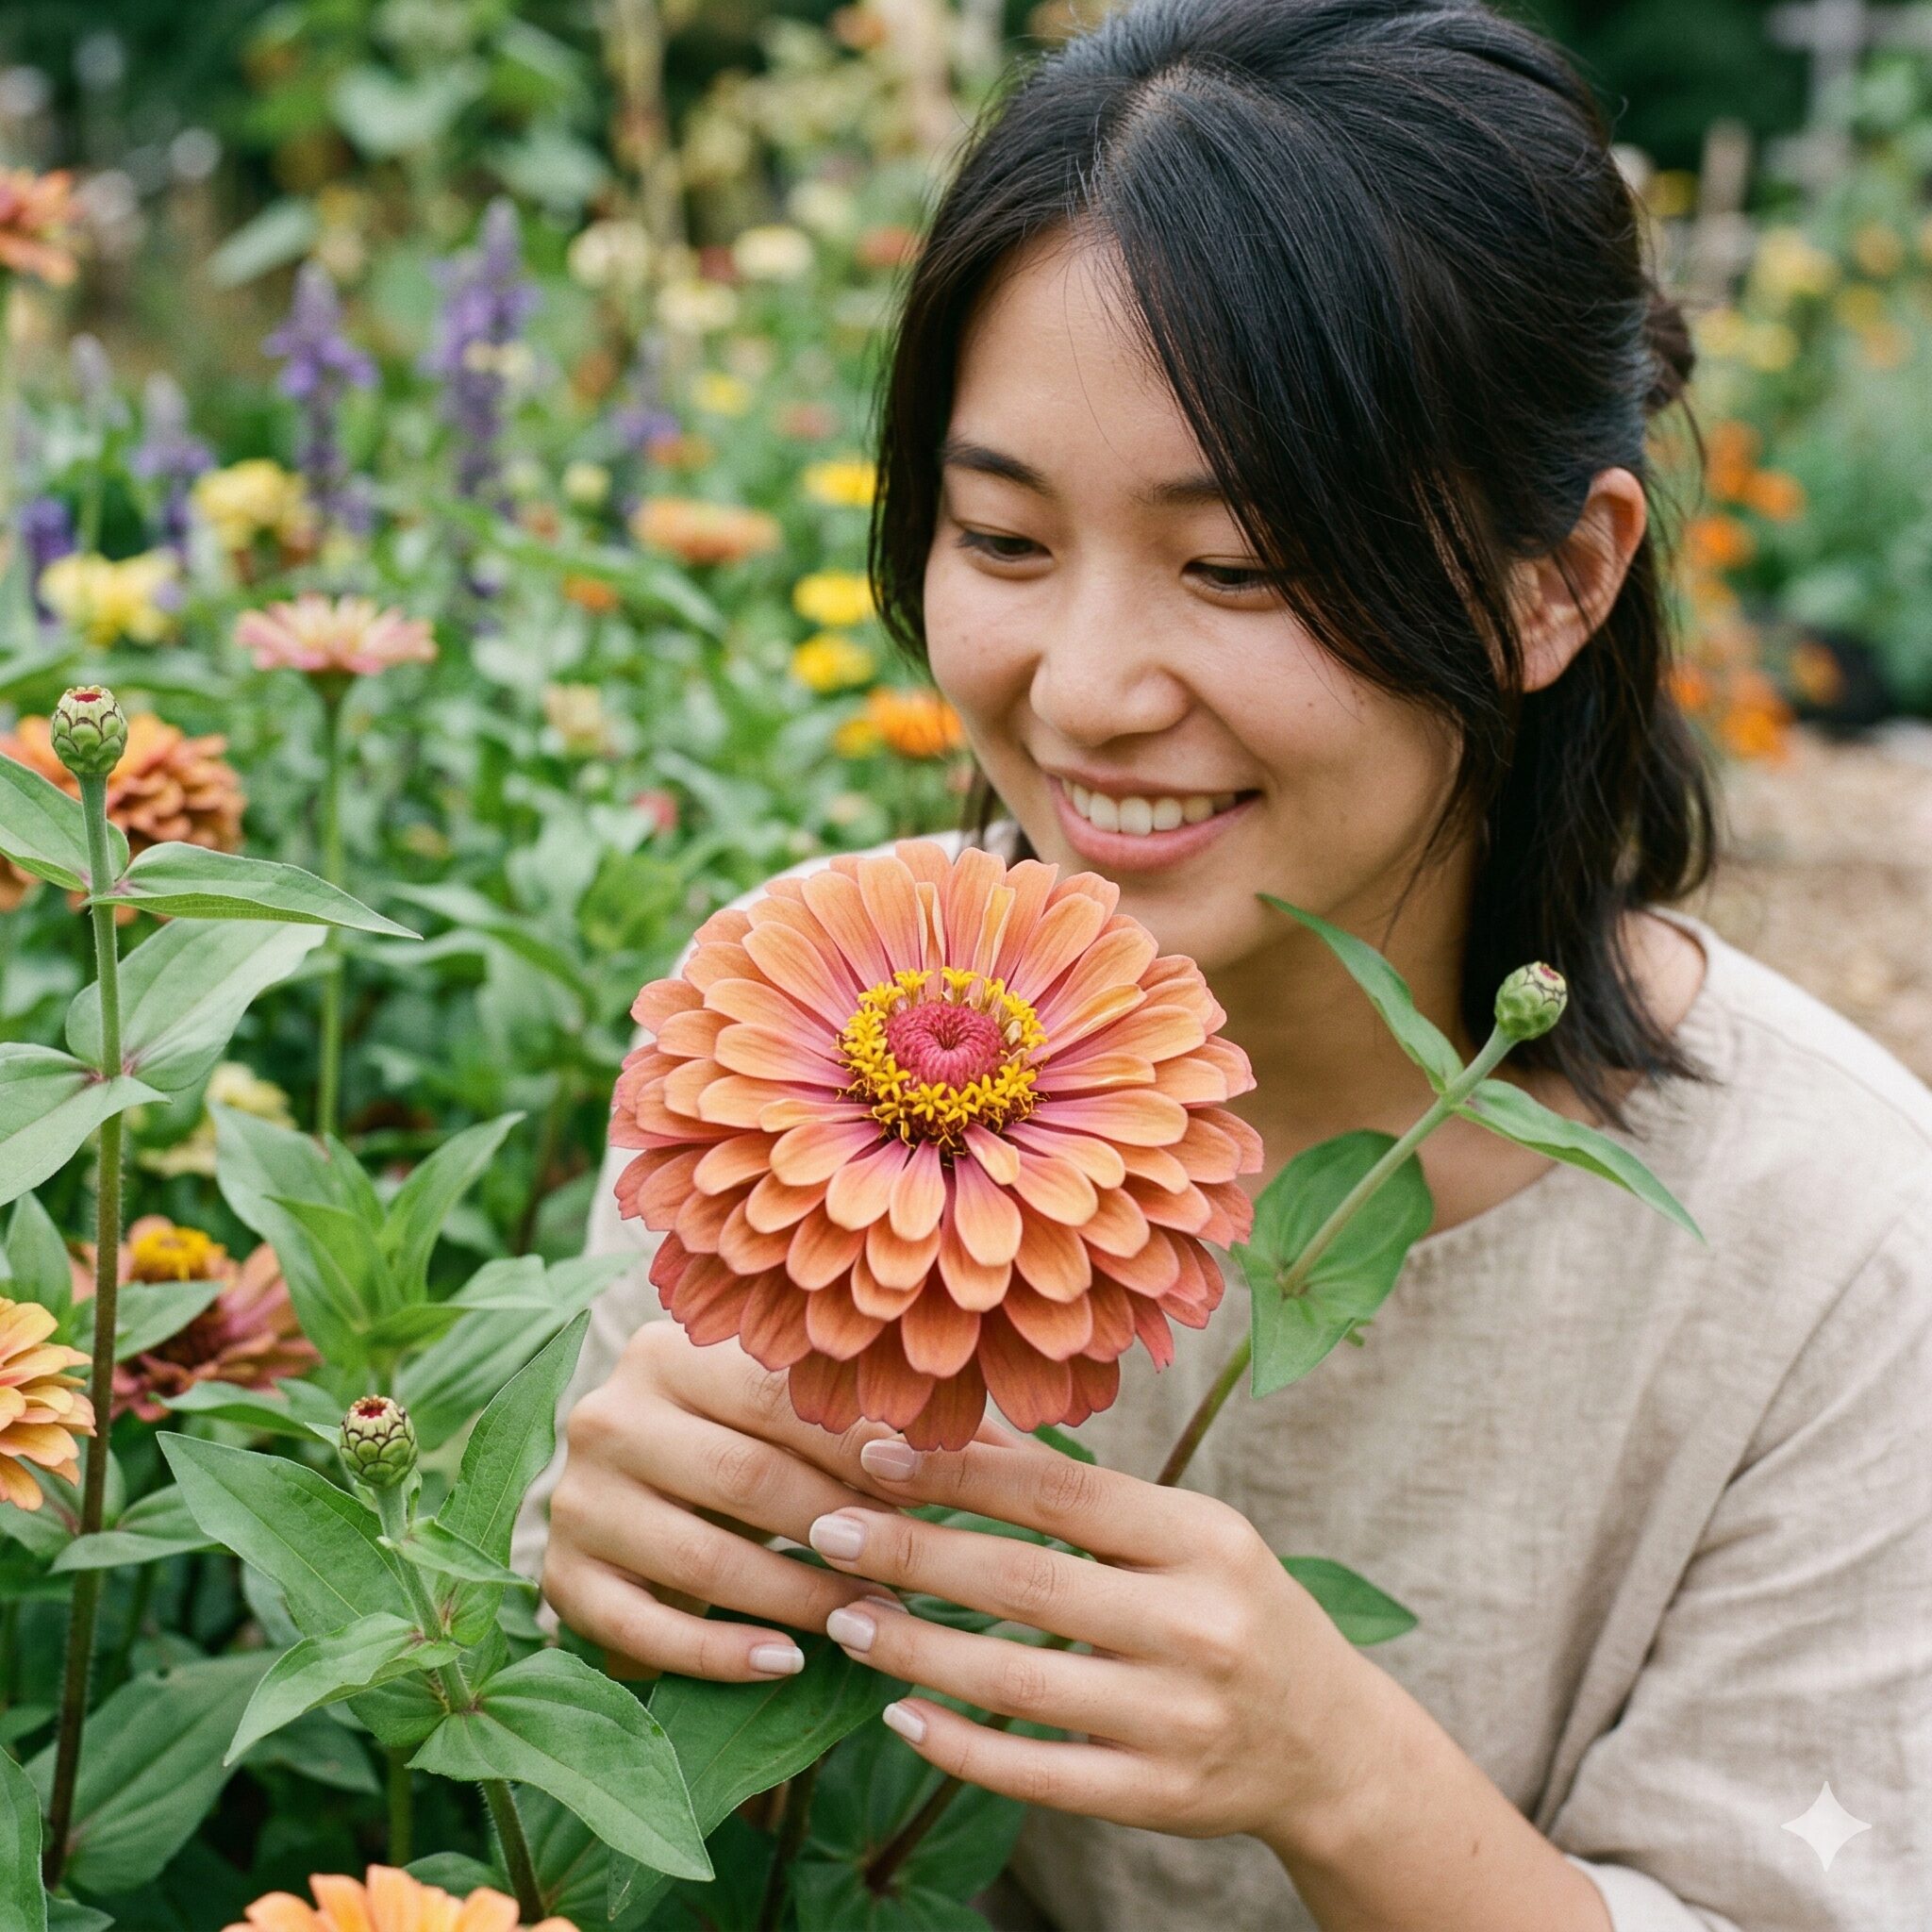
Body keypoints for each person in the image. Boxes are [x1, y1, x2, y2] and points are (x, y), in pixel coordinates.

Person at [514, 0, 1932, 1924]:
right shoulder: (793, 1026)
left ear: (1557, 581)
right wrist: (591, 1595)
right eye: (1001, 536)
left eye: (1240, 567)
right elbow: (629, 1810)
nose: (1084, 692)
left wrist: (1336, 1775)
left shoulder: (1838, 1245)